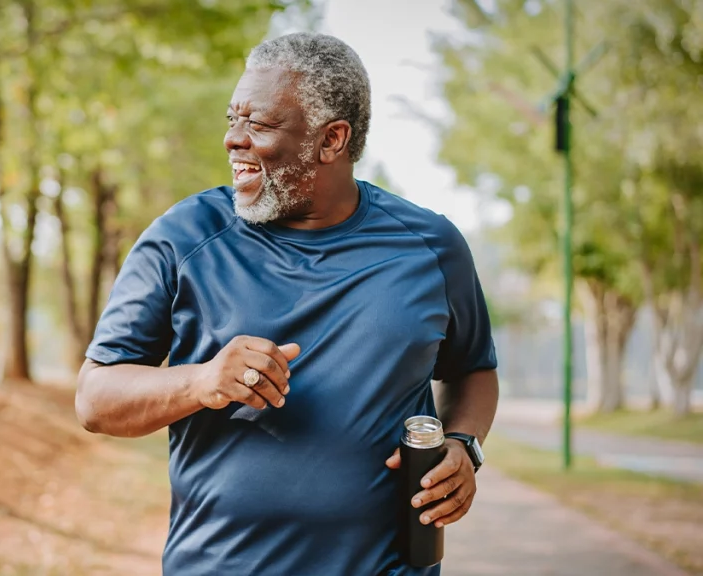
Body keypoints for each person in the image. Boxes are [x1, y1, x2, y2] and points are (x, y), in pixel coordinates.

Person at [75, 32, 499, 576]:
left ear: (332, 140)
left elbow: (473, 369)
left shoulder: (431, 247)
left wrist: (464, 445)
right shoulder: (184, 238)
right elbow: (95, 398)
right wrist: (200, 381)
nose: (233, 140)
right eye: (233, 119)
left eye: (260, 124)